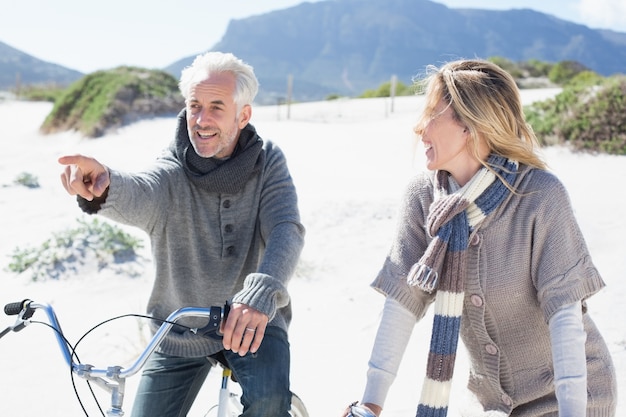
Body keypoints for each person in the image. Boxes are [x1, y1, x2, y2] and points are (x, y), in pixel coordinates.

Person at [344, 59, 616, 417]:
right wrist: (369, 405)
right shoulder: (423, 198)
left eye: (432, 114)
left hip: (572, 398)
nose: (419, 127)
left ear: (470, 125)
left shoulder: (539, 196)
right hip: (494, 405)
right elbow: (401, 302)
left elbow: (565, 317)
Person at [59, 51, 305, 417]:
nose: (201, 120)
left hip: (252, 319)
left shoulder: (267, 161)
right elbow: (144, 191)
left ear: (244, 114)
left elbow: (286, 228)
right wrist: (104, 185)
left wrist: (261, 293)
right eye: (194, 106)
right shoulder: (173, 166)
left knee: (269, 405)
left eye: (216, 107)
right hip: (180, 327)